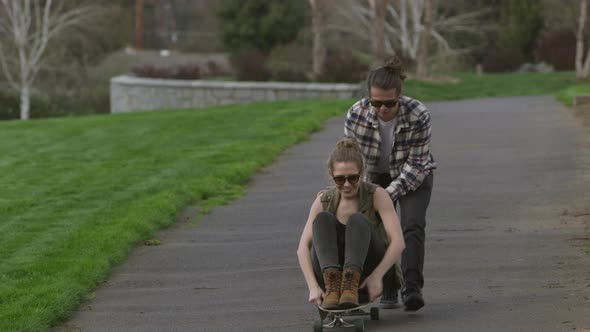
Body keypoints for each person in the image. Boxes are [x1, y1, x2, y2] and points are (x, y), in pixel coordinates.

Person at [344, 55, 436, 311]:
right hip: (373, 175)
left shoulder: (418, 114)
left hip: (412, 174)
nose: (382, 109)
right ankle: (388, 286)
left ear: (400, 96)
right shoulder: (356, 114)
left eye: (389, 103)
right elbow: (352, 160)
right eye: (376, 103)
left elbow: (418, 163)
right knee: (376, 227)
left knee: (412, 225)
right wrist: (361, 193)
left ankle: (412, 287)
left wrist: (388, 194)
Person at [296, 139, 405, 310]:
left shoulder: (377, 195)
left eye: (353, 178)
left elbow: (398, 242)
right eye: (340, 179)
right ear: (331, 177)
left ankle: (350, 283)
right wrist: (312, 287)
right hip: (330, 279)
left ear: (361, 174)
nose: (347, 185)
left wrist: (377, 277)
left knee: (357, 220)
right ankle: (333, 285)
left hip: (367, 273)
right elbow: (302, 247)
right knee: (322, 218)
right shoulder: (324, 200)